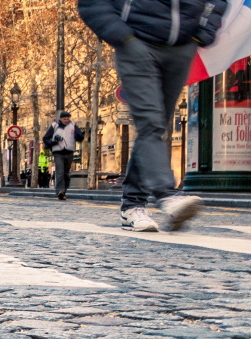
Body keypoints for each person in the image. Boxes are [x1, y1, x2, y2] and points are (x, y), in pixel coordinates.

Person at [79, 0, 224, 232]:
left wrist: (202, 32)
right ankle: (166, 194)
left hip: (182, 46)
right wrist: (124, 38)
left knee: (155, 126)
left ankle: (131, 206)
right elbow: (92, 3)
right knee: (150, 124)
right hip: (137, 42)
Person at [43, 110, 83, 199]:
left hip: (69, 151)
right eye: (64, 119)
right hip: (58, 152)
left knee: (66, 173)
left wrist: (77, 135)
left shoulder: (73, 126)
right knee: (60, 171)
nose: (66, 120)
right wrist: (53, 142)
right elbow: (45, 138)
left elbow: (80, 137)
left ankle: (64, 190)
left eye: (68, 119)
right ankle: (60, 191)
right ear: (60, 119)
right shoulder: (54, 126)